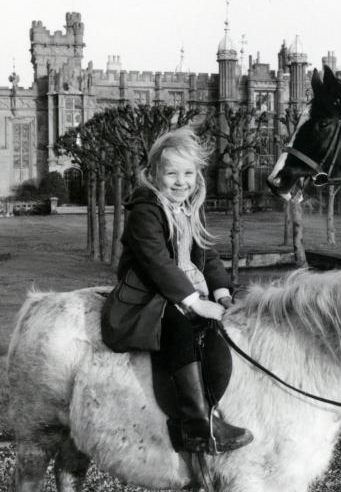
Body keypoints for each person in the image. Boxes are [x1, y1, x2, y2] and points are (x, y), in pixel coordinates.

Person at [106, 126, 253, 453]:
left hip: (180, 291)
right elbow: (157, 262)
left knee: (217, 338)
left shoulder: (188, 207)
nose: (180, 181)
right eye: (171, 173)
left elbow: (206, 254)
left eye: (188, 173)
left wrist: (221, 294)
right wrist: (194, 303)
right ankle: (197, 426)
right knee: (179, 331)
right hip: (148, 296)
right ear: (154, 173)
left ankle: (213, 408)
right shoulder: (145, 209)